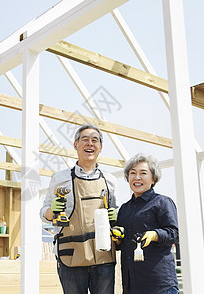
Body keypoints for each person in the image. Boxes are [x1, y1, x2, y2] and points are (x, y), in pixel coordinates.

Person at [40, 123, 118, 294]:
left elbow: (114, 214)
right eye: (85, 139)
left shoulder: (110, 180)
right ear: (75, 145)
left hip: (103, 257)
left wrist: (116, 217)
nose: (90, 143)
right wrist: (52, 211)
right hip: (71, 257)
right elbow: (43, 214)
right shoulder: (59, 178)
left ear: (100, 147)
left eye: (95, 140)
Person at [113, 153, 179, 294]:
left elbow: (174, 233)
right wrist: (117, 240)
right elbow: (121, 244)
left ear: (153, 178)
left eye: (143, 173)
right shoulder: (124, 208)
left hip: (159, 284)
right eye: (132, 173)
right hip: (131, 285)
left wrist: (154, 234)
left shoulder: (162, 202)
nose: (137, 177)